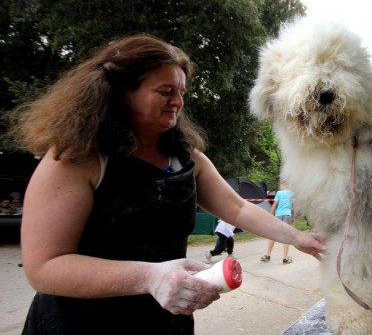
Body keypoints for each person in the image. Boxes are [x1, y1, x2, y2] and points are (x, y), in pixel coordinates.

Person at [10, 34, 326, 335]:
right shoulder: (74, 160)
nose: (178, 101)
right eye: (165, 91)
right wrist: (149, 277)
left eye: (182, 92)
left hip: (162, 323)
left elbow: (236, 207)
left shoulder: (187, 159)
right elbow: (44, 267)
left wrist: (299, 238)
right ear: (123, 93)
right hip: (78, 325)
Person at [260, 180, 295, 264]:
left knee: (273, 235)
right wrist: (293, 216)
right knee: (286, 237)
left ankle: (268, 255)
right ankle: (285, 258)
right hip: (287, 215)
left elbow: (274, 205)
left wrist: (271, 215)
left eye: (280, 184)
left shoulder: (279, 193)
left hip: (278, 215)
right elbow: (293, 206)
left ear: (283, 184)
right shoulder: (291, 194)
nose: (279, 186)